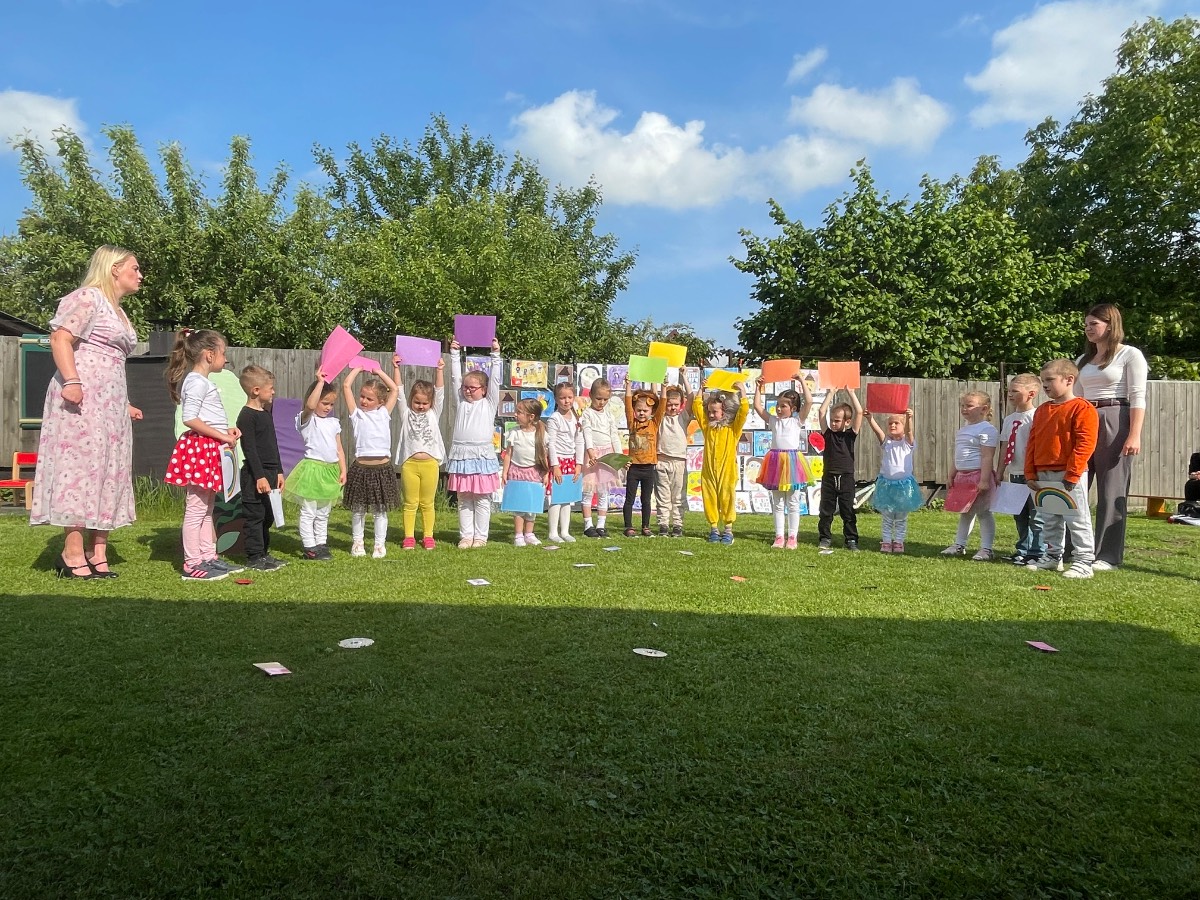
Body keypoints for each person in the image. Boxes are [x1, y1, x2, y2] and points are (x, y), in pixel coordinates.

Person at [31, 245, 144, 579]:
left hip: (110, 404)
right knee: (80, 470)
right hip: (82, 398)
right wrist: (72, 381)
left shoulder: (118, 310)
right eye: (135, 268)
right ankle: (72, 552)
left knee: (109, 470)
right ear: (114, 268)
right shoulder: (87, 297)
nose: (140, 275)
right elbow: (60, 339)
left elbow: (112, 361)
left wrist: (123, 402)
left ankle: (98, 552)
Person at [163, 329, 244, 581]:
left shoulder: (203, 382)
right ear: (209, 355)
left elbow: (207, 417)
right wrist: (221, 436)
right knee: (196, 508)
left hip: (210, 448)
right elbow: (190, 418)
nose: (226, 359)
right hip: (201, 449)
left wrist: (226, 430)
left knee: (207, 507)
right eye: (223, 353)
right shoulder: (196, 382)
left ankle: (208, 556)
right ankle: (192, 563)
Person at [1077, 303, 1149, 570]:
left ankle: (1107, 555)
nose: (1088, 329)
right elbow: (1075, 397)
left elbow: (1138, 396)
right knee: (1077, 483)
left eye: (1094, 324)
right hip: (1084, 418)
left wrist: (1134, 434)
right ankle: (1076, 548)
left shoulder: (1130, 354)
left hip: (1115, 416)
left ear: (1110, 325)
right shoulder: (1082, 361)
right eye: (1086, 324)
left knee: (1111, 488)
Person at [1025, 359, 1099, 579]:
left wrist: (1073, 473)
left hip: (1068, 474)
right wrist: (1030, 472)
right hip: (1043, 473)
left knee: (1077, 518)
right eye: (1043, 380)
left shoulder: (1082, 408)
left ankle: (1084, 561)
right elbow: (1033, 442)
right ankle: (1052, 556)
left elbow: (1085, 443)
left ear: (1069, 380)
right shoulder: (1042, 410)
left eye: (1050, 380)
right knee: (1050, 518)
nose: (1045, 385)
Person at [283, 371, 347, 560]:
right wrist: (320, 382)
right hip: (313, 470)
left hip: (330, 471)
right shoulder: (307, 420)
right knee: (309, 511)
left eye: (331, 404)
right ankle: (310, 546)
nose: (328, 407)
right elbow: (310, 406)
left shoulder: (333, 423)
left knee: (323, 511)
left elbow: (339, 449)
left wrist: (343, 469)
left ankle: (321, 543)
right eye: (324, 403)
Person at [447, 337, 502, 548]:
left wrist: (495, 354)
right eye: (466, 387)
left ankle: (480, 536)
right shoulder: (461, 402)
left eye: (472, 387)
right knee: (463, 498)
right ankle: (466, 535)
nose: (468, 390)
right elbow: (454, 378)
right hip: (461, 455)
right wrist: (454, 354)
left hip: (481, 456)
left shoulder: (489, 403)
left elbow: (495, 380)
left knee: (481, 498)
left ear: (484, 389)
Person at [342, 362, 401, 558]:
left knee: (380, 510)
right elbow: (346, 386)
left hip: (382, 469)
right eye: (362, 397)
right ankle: (357, 543)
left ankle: (379, 545)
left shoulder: (384, 413)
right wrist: (357, 368)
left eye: (369, 398)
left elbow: (394, 389)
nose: (364, 401)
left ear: (381, 401)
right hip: (361, 468)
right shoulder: (356, 415)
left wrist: (379, 372)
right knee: (358, 509)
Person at [237, 365, 287, 571]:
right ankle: (254, 557)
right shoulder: (246, 416)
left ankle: (264, 554)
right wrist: (259, 476)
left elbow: (273, 445)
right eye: (270, 388)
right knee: (255, 516)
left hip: (271, 473)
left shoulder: (266, 414)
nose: (273, 391)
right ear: (256, 390)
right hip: (255, 475)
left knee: (268, 515)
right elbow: (249, 449)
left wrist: (279, 471)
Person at [394, 355, 446, 550]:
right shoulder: (405, 413)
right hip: (410, 464)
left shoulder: (434, 413)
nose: (421, 406)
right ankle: (409, 537)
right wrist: (396, 368)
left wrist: (439, 370)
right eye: (417, 402)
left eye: (425, 403)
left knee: (427, 502)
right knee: (410, 503)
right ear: (411, 400)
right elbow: (398, 391)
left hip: (430, 464)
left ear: (431, 403)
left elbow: (440, 392)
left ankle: (428, 536)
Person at [941, 391, 999, 560]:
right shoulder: (963, 429)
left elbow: (987, 456)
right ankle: (959, 545)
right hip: (963, 477)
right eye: (963, 405)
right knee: (965, 512)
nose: (964, 409)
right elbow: (958, 455)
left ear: (984, 409)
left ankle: (986, 549)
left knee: (983, 513)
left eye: (969, 405)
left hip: (978, 477)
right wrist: (952, 474)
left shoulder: (987, 429)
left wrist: (984, 480)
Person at [996, 374, 1045, 566]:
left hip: (1033, 474)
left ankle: (1037, 552)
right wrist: (1000, 470)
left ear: (1031, 394)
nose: (1010, 394)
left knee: (1037, 516)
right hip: (1015, 473)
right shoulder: (1009, 419)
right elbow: (1004, 446)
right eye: (1009, 390)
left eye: (1015, 391)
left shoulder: (1037, 417)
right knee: (1019, 514)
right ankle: (1022, 550)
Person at [693, 380, 749, 544]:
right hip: (709, 471)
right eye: (709, 411)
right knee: (709, 497)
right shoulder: (708, 427)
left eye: (715, 412)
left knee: (727, 498)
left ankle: (728, 530)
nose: (711, 415)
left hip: (727, 471)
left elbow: (743, 412)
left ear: (725, 411)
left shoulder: (733, 429)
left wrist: (742, 392)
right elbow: (697, 408)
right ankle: (714, 529)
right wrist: (701, 389)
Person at [866, 407, 921, 554]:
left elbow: (909, 432)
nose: (893, 425)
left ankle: (898, 542)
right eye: (890, 423)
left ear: (904, 426)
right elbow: (878, 432)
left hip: (903, 486)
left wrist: (909, 418)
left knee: (901, 517)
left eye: (897, 423)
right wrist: (870, 418)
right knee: (887, 516)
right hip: (887, 485)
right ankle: (886, 541)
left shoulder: (907, 443)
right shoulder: (887, 443)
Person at [817, 386, 864, 551]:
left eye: (837, 420)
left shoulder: (850, 435)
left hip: (846, 478)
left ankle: (851, 539)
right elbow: (821, 412)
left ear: (847, 422)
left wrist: (851, 393)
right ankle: (825, 538)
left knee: (847, 511)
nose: (833, 423)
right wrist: (831, 393)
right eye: (832, 420)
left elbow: (859, 412)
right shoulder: (828, 434)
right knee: (826, 511)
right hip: (829, 477)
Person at [502, 398, 549, 546]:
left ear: (531, 416)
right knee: (519, 506)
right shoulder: (514, 433)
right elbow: (508, 454)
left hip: (534, 473)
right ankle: (518, 535)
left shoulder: (540, 434)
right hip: (517, 472)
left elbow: (544, 455)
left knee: (531, 506)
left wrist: (546, 473)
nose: (515, 415)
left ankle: (529, 533)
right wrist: (505, 472)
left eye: (519, 412)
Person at [580, 378, 621, 538]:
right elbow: (587, 433)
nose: (602, 402)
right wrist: (590, 452)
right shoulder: (588, 414)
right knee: (589, 490)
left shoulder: (609, 415)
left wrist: (619, 456)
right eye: (598, 398)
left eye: (605, 399)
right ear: (590, 395)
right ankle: (588, 525)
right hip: (593, 455)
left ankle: (601, 525)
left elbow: (614, 436)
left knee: (604, 491)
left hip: (607, 455)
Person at [623, 387, 666, 537]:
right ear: (634, 410)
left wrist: (664, 388)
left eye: (645, 411)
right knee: (629, 498)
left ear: (651, 411)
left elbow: (662, 406)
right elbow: (627, 404)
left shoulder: (654, 423)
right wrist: (628, 385)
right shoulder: (632, 423)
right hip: (633, 468)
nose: (642, 413)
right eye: (639, 410)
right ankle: (628, 526)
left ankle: (645, 526)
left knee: (646, 500)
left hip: (649, 468)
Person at [655, 369, 693, 537]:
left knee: (678, 496)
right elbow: (657, 397)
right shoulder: (660, 417)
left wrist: (684, 376)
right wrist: (659, 381)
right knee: (663, 496)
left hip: (679, 461)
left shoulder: (683, 417)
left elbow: (691, 397)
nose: (672, 407)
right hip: (661, 460)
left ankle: (677, 524)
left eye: (676, 404)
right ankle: (663, 524)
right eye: (669, 404)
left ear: (681, 405)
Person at [546, 382, 585, 543]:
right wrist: (555, 466)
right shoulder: (554, 419)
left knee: (567, 498)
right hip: (559, 461)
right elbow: (551, 444)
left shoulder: (577, 418)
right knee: (556, 498)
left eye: (569, 397)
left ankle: (565, 531)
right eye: (562, 398)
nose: (566, 401)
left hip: (571, 461)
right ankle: (553, 532)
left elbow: (579, 441)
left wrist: (579, 464)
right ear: (556, 399)